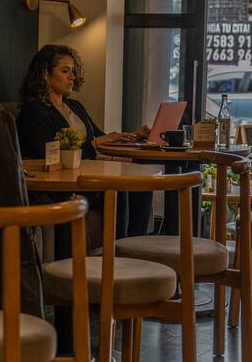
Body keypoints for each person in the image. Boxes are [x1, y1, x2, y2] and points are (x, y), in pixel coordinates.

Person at [16, 44, 152, 239]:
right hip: (65, 186)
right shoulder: (34, 113)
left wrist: (131, 136)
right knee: (118, 190)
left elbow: (98, 136)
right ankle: (117, 254)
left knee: (141, 187)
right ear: (45, 74)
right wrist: (95, 144)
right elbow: (50, 156)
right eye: (65, 71)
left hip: (86, 176)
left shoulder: (74, 106)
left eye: (73, 70)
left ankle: (134, 248)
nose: (72, 76)